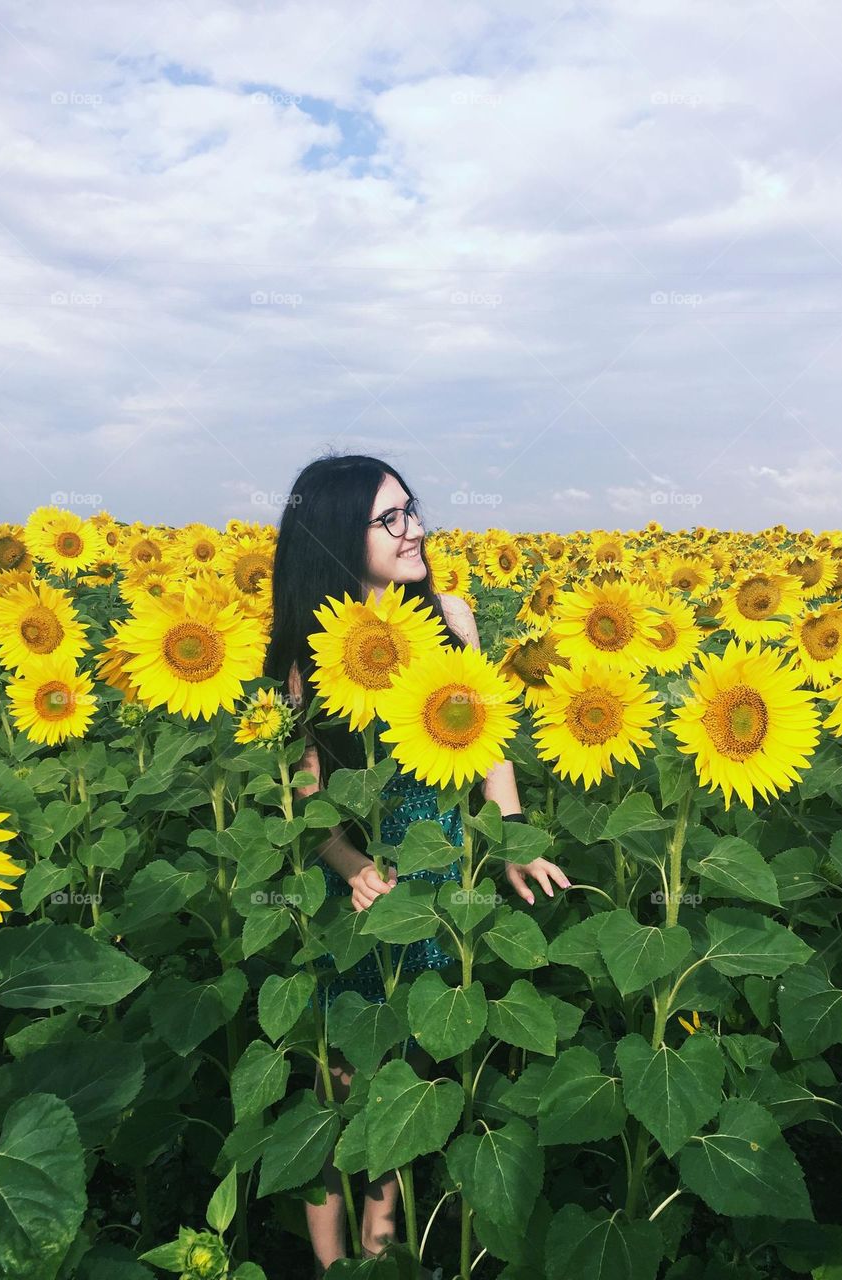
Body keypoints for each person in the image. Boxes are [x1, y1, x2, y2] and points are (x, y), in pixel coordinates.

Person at [263, 452, 571, 1275]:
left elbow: (489, 741)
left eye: (413, 510)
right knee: (338, 1080)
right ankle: (334, 1268)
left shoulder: (450, 618)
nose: (416, 530)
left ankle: (383, 1243)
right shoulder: (308, 656)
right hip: (354, 895)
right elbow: (306, 800)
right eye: (390, 519)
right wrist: (350, 860)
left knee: (413, 1067)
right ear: (336, 537)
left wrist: (510, 837)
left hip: (437, 872)